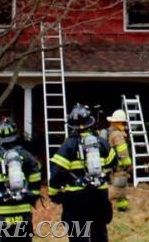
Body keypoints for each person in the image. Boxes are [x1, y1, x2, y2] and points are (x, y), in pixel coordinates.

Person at [49, 103, 118, 242]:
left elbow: (57, 173)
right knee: (99, 233)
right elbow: (113, 163)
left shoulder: (68, 145)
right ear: (90, 123)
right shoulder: (102, 142)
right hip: (99, 196)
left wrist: (53, 193)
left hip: (76, 199)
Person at [106, 109, 132, 211]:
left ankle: (122, 207)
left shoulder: (113, 132)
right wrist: (128, 163)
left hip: (115, 165)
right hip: (119, 165)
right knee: (118, 188)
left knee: (122, 187)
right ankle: (102, 204)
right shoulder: (117, 134)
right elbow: (122, 151)